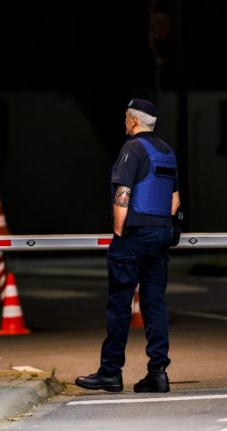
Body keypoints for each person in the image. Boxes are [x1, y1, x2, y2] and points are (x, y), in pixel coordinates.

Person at [75, 98, 181, 393]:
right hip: (160, 235)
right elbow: (174, 200)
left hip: (134, 236)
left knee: (120, 304)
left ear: (133, 121)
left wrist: (120, 230)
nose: (124, 122)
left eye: (125, 118)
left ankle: (110, 372)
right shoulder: (167, 152)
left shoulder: (132, 149)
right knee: (155, 302)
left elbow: (123, 191)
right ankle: (158, 372)